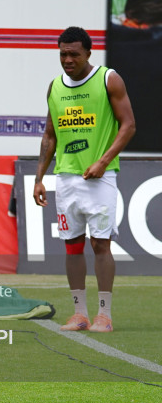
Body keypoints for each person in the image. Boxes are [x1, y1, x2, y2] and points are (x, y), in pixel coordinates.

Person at [33, 26, 135, 333]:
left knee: (100, 243)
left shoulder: (108, 79)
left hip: (100, 179)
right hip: (65, 179)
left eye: (74, 54)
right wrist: (39, 178)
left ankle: (104, 315)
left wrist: (104, 161)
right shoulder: (54, 87)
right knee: (72, 245)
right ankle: (79, 314)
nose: (67, 60)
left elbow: (128, 125)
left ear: (88, 53)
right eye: (63, 54)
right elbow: (50, 135)